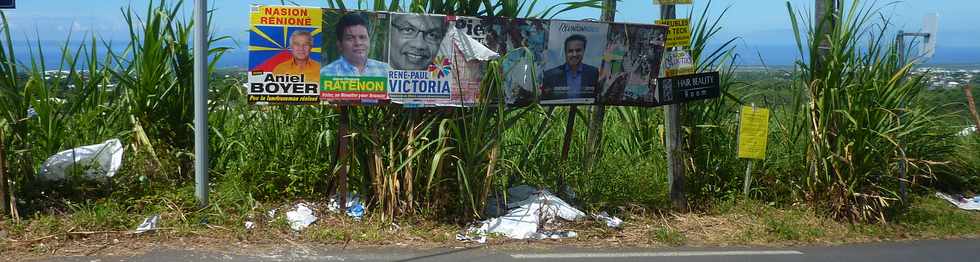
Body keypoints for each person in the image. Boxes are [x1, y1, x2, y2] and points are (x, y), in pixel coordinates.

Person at [322, 13, 391, 77]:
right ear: (340, 45)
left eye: (362, 37)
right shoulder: (325, 74)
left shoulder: (386, 70)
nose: (358, 43)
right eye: (350, 38)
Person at [542, 34, 599, 100]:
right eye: (570, 51)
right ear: (565, 52)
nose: (574, 54)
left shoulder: (593, 72)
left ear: (584, 51)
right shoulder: (550, 75)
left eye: (578, 50)